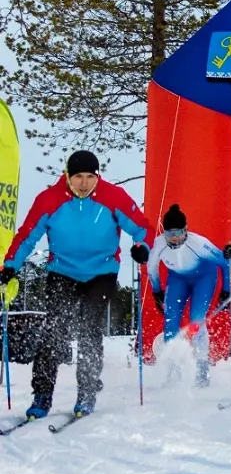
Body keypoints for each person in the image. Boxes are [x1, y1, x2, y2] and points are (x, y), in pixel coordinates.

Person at [1, 151, 150, 419]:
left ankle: (87, 392)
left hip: (101, 272)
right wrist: (10, 266)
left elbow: (143, 228)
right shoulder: (48, 200)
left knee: (89, 329)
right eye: (78, 177)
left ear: (97, 176)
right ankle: (42, 395)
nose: (84, 183)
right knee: (54, 332)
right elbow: (27, 236)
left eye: (90, 177)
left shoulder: (113, 197)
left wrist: (143, 247)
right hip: (62, 271)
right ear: (67, 176)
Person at [145, 204, 231, 387]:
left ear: (186, 230)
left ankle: (202, 370)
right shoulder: (159, 245)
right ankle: (173, 371)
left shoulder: (198, 243)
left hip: (204, 278)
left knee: (196, 322)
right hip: (178, 280)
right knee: (170, 324)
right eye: (170, 234)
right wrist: (156, 291)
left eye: (179, 232)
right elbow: (151, 269)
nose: (175, 238)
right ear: (164, 233)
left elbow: (224, 262)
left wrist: (226, 289)